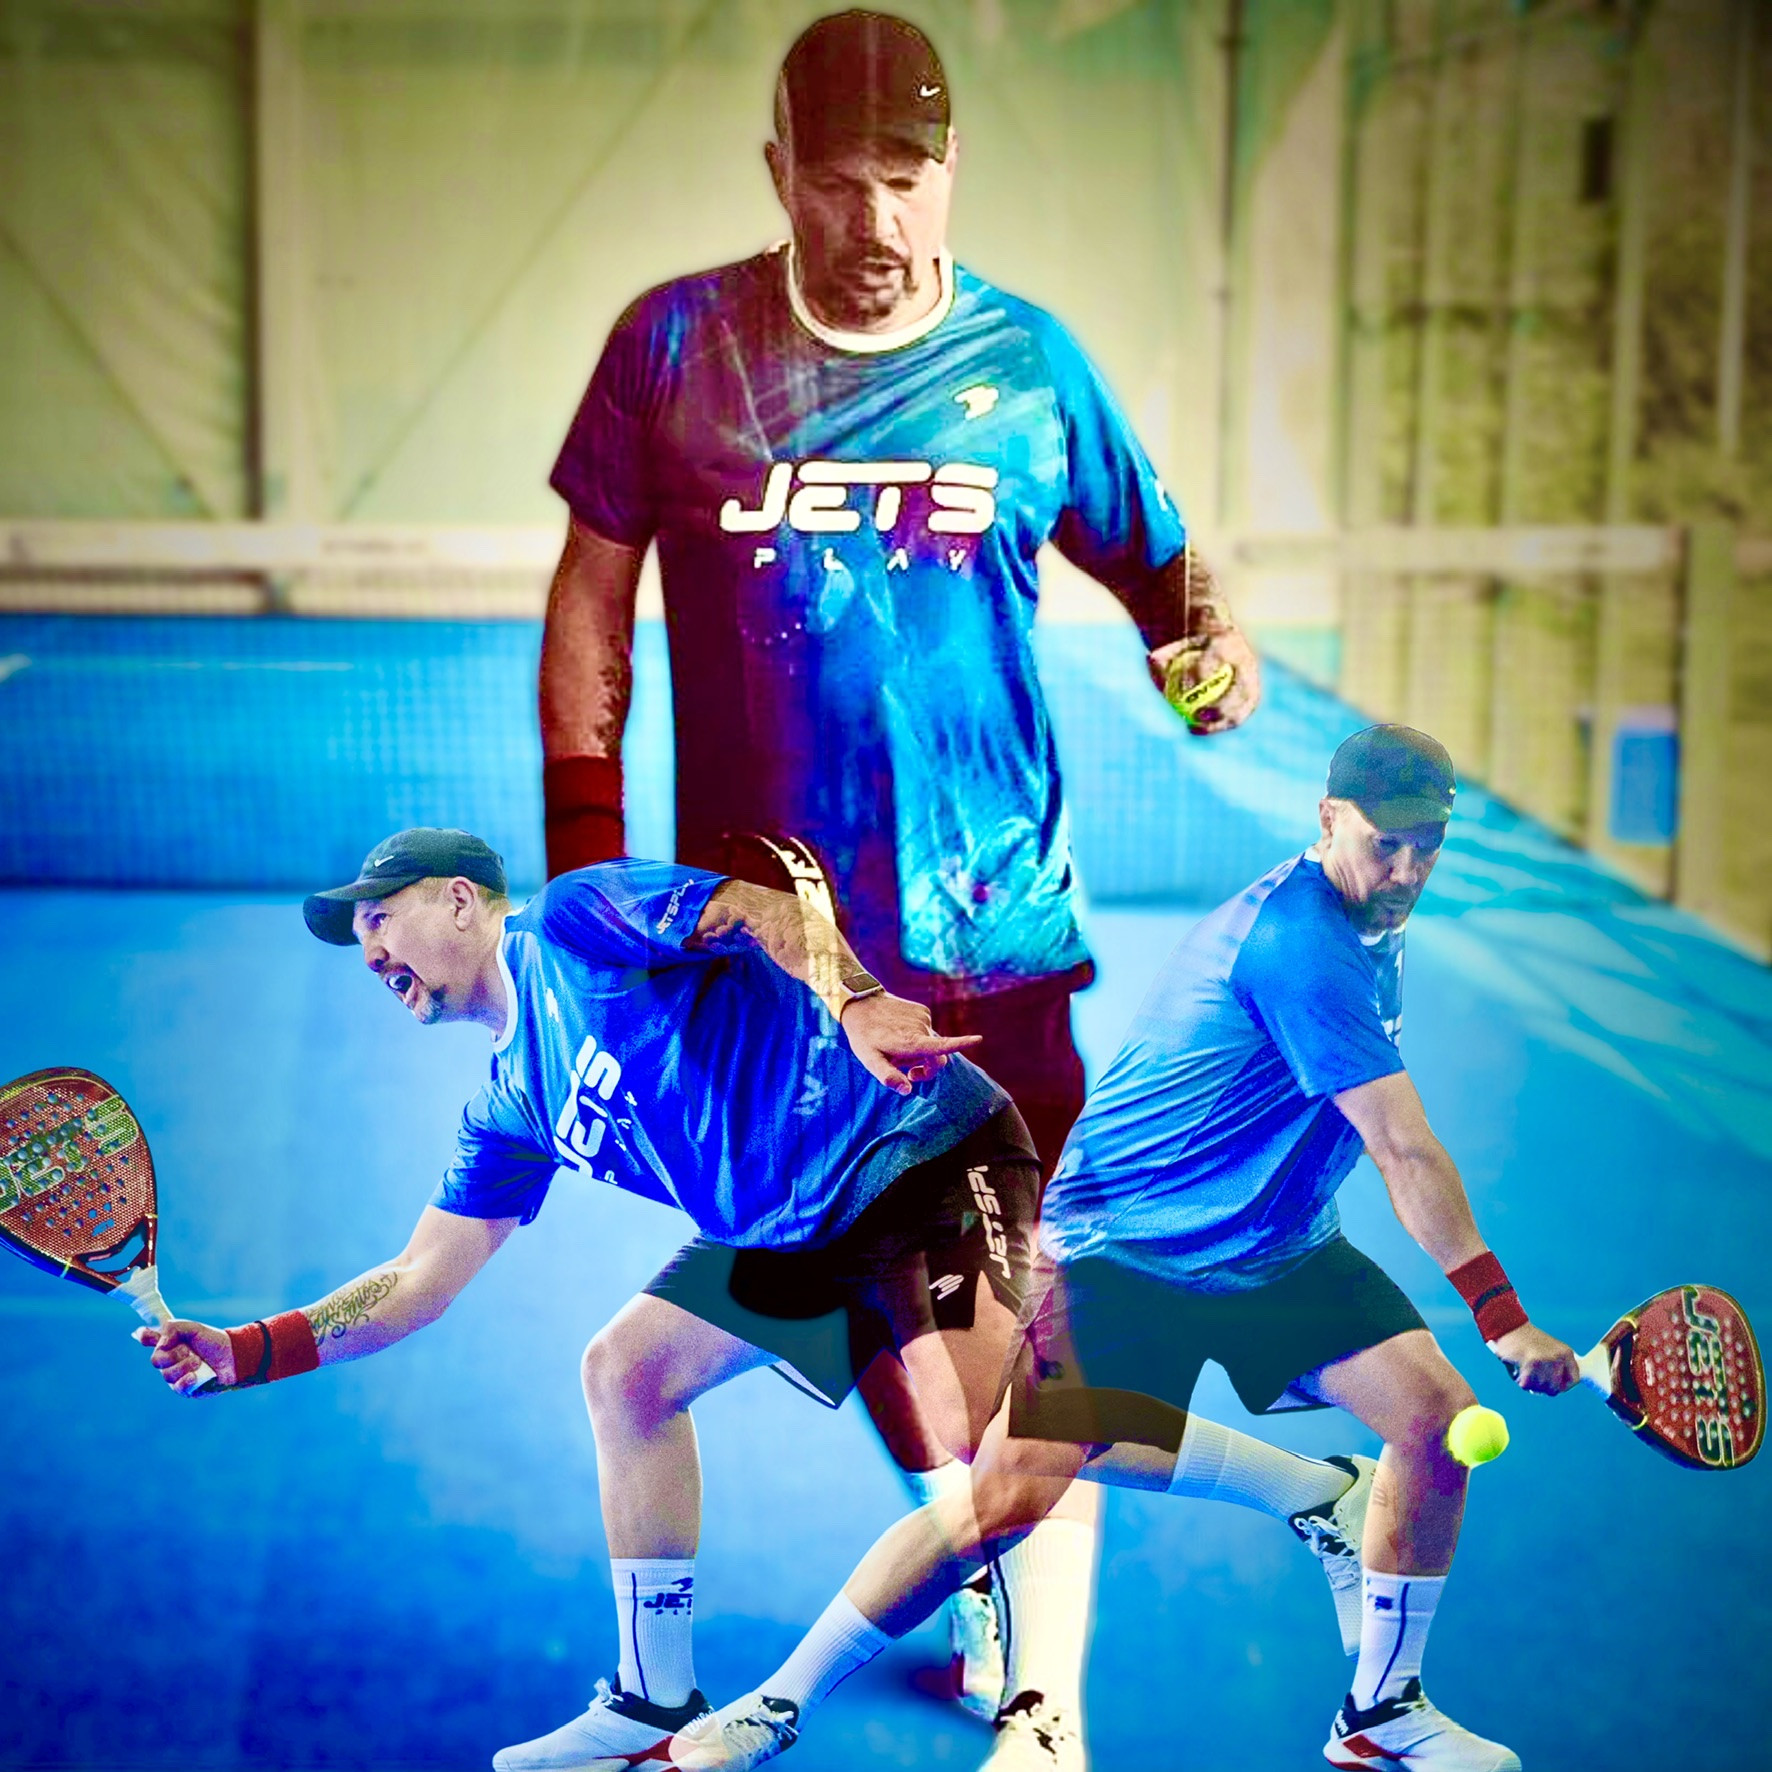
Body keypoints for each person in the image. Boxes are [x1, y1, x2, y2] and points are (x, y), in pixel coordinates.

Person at [536, 10, 1270, 1753]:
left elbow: (1171, 579)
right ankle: (961, 1562)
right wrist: (587, 878)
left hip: (994, 967)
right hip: (773, 982)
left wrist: (1207, 649)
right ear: (777, 171)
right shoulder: (674, 347)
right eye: (839, 181)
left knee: (1025, 1353)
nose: (875, 218)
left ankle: (1045, 1704)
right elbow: (590, 600)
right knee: (891, 1345)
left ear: (950, 175)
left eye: (907, 178)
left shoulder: (1033, 367)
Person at [139, 828, 1368, 1772]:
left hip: (915, 1151)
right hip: (783, 1227)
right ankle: (650, 1697)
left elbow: (752, 907)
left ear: (461, 900)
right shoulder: (508, 1101)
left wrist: (854, 996)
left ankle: (1317, 1488)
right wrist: (247, 1347)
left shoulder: (572, 919)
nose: (368, 949)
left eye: (379, 917)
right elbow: (417, 1282)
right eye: (355, 934)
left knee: (999, 1437)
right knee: (625, 1369)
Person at [668, 726, 1582, 1772]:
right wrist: (1501, 1315)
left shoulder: (1371, 914)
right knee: (1004, 1498)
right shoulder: (1303, 947)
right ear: (1329, 819)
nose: (1409, 870)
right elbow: (1402, 1148)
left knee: (1435, 1423)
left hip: (1275, 1244)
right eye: (1387, 844)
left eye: (1428, 846)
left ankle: (1380, 1710)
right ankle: (777, 1703)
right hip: (1126, 1247)